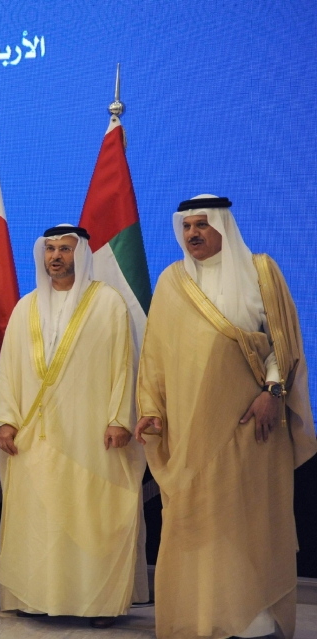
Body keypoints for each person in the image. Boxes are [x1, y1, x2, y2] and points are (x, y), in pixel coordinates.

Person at [135, 195, 316, 639]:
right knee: (199, 524)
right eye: (187, 226)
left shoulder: (261, 273)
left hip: (253, 427)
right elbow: (155, 358)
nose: (193, 234)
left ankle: (255, 620)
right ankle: (203, 618)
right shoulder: (172, 281)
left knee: (251, 521)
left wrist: (272, 394)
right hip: (192, 432)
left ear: (222, 226)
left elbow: (282, 343)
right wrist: (153, 412)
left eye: (202, 225)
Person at [0, 225, 145, 628]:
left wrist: (119, 419)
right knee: (38, 518)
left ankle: (97, 604)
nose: (56, 256)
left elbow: (125, 366)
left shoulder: (108, 304)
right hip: (33, 437)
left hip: (91, 436)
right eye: (51, 249)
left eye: (65, 249)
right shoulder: (26, 307)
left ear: (83, 254)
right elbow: (7, 370)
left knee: (89, 516)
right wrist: (5, 419)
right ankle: (37, 597)